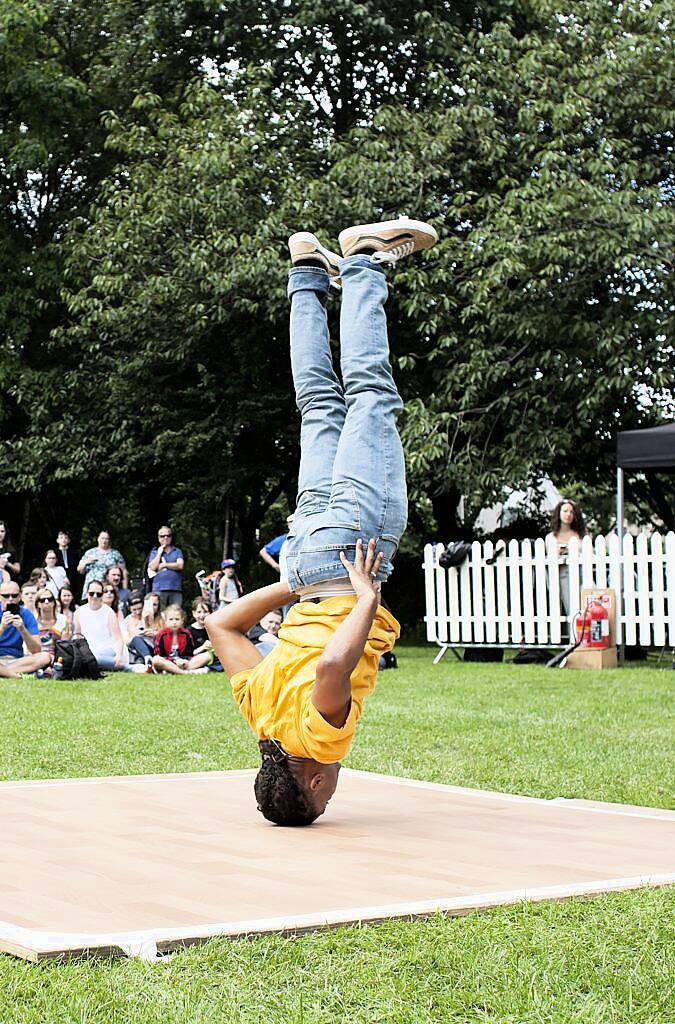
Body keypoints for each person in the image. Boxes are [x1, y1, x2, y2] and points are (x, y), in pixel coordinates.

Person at [206, 217, 436, 826]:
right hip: (308, 559)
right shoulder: (260, 714)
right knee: (317, 405)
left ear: (309, 780)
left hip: (349, 552)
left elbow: (335, 668)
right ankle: (306, 272)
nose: (332, 786)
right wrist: (292, 582)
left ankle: (365, 261)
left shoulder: (316, 741)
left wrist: (364, 597)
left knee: (370, 396)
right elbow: (222, 626)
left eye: (325, 794)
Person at [546, 499, 588, 619]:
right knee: (571, 609)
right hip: (562, 575)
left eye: (571, 512)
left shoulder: (581, 534)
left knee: (586, 607)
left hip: (583, 574)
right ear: (559, 513)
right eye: (565, 511)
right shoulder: (551, 537)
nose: (568, 514)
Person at [73, 580, 127, 672]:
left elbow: (118, 638)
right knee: (87, 658)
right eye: (91, 593)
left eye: (98, 594)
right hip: (88, 651)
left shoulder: (109, 612)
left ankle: (126, 667)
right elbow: (77, 636)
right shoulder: (79, 612)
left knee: (92, 658)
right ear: (86, 594)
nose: (94, 596)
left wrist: (119, 656)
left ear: (102, 595)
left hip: (109, 650)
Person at [151, 605, 210, 675]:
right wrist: (175, 661)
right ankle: (185, 673)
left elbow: (189, 653)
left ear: (182, 620)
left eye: (177, 619)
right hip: (168, 662)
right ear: (165, 621)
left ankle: (173, 671)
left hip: (183, 663)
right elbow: (159, 654)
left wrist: (183, 661)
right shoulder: (161, 635)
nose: (174, 622)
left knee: (207, 656)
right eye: (171, 619)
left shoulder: (186, 634)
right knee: (156, 660)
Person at [0, 578, 42, 672]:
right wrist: (2, 627)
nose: (10, 599)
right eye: (6, 596)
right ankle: (12, 674)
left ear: (19, 597)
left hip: (17, 661)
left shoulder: (26, 614)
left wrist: (22, 629)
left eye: (14, 596)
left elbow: (36, 650)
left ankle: (5, 672)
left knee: (45, 657)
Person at [147, 527, 184, 610]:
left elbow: (180, 565)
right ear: (158, 538)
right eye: (162, 536)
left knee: (176, 612)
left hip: (175, 588)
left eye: (168, 535)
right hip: (159, 588)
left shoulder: (177, 551)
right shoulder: (154, 552)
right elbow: (152, 567)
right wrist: (159, 553)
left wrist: (164, 565)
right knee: (159, 613)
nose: (165, 538)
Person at [126, 592, 163, 662]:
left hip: (158, 649)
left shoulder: (161, 617)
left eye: (154, 605)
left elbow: (167, 634)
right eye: (149, 604)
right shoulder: (132, 619)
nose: (152, 607)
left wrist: (155, 633)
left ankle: (146, 659)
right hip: (142, 648)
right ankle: (147, 659)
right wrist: (141, 632)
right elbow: (129, 639)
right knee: (136, 639)